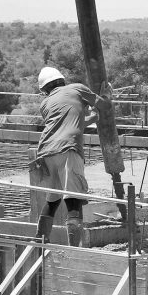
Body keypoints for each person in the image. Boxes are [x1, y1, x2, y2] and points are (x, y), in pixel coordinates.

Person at [34, 66, 106, 246]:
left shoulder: (45, 103)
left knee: (53, 199)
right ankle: (74, 248)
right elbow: (105, 106)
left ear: (45, 90)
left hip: (45, 152)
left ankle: (41, 240)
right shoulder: (77, 88)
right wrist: (105, 96)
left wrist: (92, 118)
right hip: (68, 148)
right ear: (62, 80)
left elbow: (66, 123)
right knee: (73, 199)